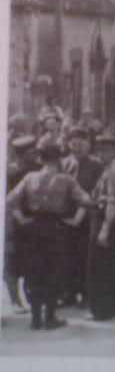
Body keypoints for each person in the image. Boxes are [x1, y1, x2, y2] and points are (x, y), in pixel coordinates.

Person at [6, 142, 92, 329]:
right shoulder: (66, 180)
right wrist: (76, 220)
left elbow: (10, 200)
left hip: (34, 229)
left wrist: (21, 219)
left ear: (41, 159)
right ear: (58, 159)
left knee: (34, 272)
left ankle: (36, 318)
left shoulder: (30, 177)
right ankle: (50, 317)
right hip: (56, 228)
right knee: (54, 271)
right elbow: (86, 200)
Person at [85, 134, 115, 321]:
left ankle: (102, 310)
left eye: (107, 150)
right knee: (111, 263)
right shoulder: (108, 169)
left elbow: (112, 202)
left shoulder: (113, 172)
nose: (102, 154)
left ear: (114, 151)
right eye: (100, 150)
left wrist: (105, 229)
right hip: (105, 217)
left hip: (106, 218)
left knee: (99, 266)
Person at [61, 127, 104, 308]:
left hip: (88, 217)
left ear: (88, 145)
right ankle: (69, 293)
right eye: (73, 144)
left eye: (81, 144)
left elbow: (97, 192)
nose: (77, 148)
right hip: (67, 217)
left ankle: (87, 294)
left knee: (87, 256)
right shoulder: (64, 164)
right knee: (68, 256)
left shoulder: (96, 165)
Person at [4, 135, 40, 314]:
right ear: (21, 155)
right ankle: (14, 300)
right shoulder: (10, 173)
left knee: (31, 259)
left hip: (32, 221)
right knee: (11, 262)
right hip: (13, 223)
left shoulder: (37, 169)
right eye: (30, 152)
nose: (34, 155)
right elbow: (8, 200)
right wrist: (20, 218)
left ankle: (30, 296)